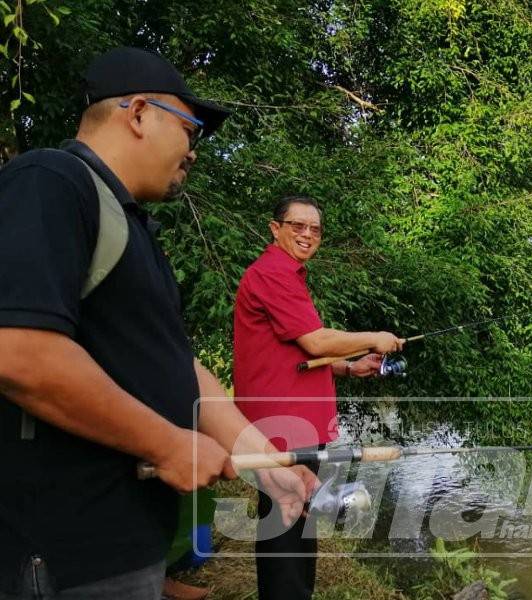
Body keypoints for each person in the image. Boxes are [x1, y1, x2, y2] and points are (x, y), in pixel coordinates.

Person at [0, 47, 316, 599]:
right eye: (191, 129)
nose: (194, 150)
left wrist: (265, 465)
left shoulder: (135, 230)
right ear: (138, 113)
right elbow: (20, 352)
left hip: (128, 545)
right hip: (61, 554)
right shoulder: (50, 181)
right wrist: (167, 443)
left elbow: (182, 369)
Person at [233, 195, 404, 600]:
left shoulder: (288, 276)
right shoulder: (273, 272)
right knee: (286, 525)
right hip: (283, 425)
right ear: (275, 229)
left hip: (296, 422)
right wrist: (375, 337)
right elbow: (315, 341)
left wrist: (350, 366)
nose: (308, 234)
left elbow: (295, 353)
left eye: (315, 229)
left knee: (299, 520)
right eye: (298, 226)